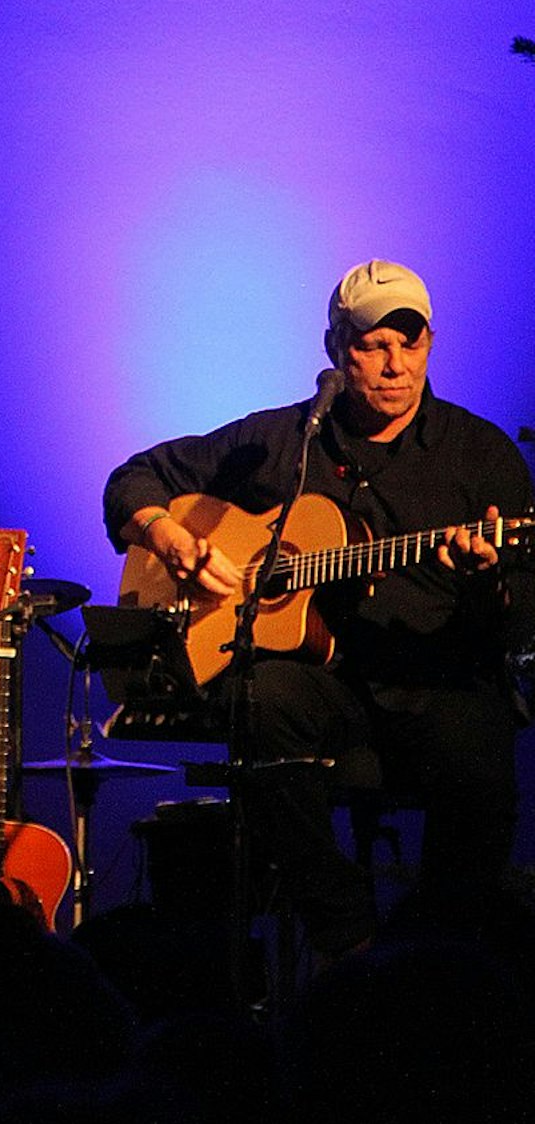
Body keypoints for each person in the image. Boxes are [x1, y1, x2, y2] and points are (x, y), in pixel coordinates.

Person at [103, 259, 535, 959]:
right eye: (372, 345)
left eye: (411, 341)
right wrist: (168, 535)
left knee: (480, 745)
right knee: (257, 696)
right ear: (336, 350)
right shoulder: (283, 441)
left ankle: (432, 955)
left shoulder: (479, 454)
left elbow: (519, 616)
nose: (395, 364)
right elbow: (135, 478)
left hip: (435, 678)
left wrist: (489, 577)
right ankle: (343, 927)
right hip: (327, 684)